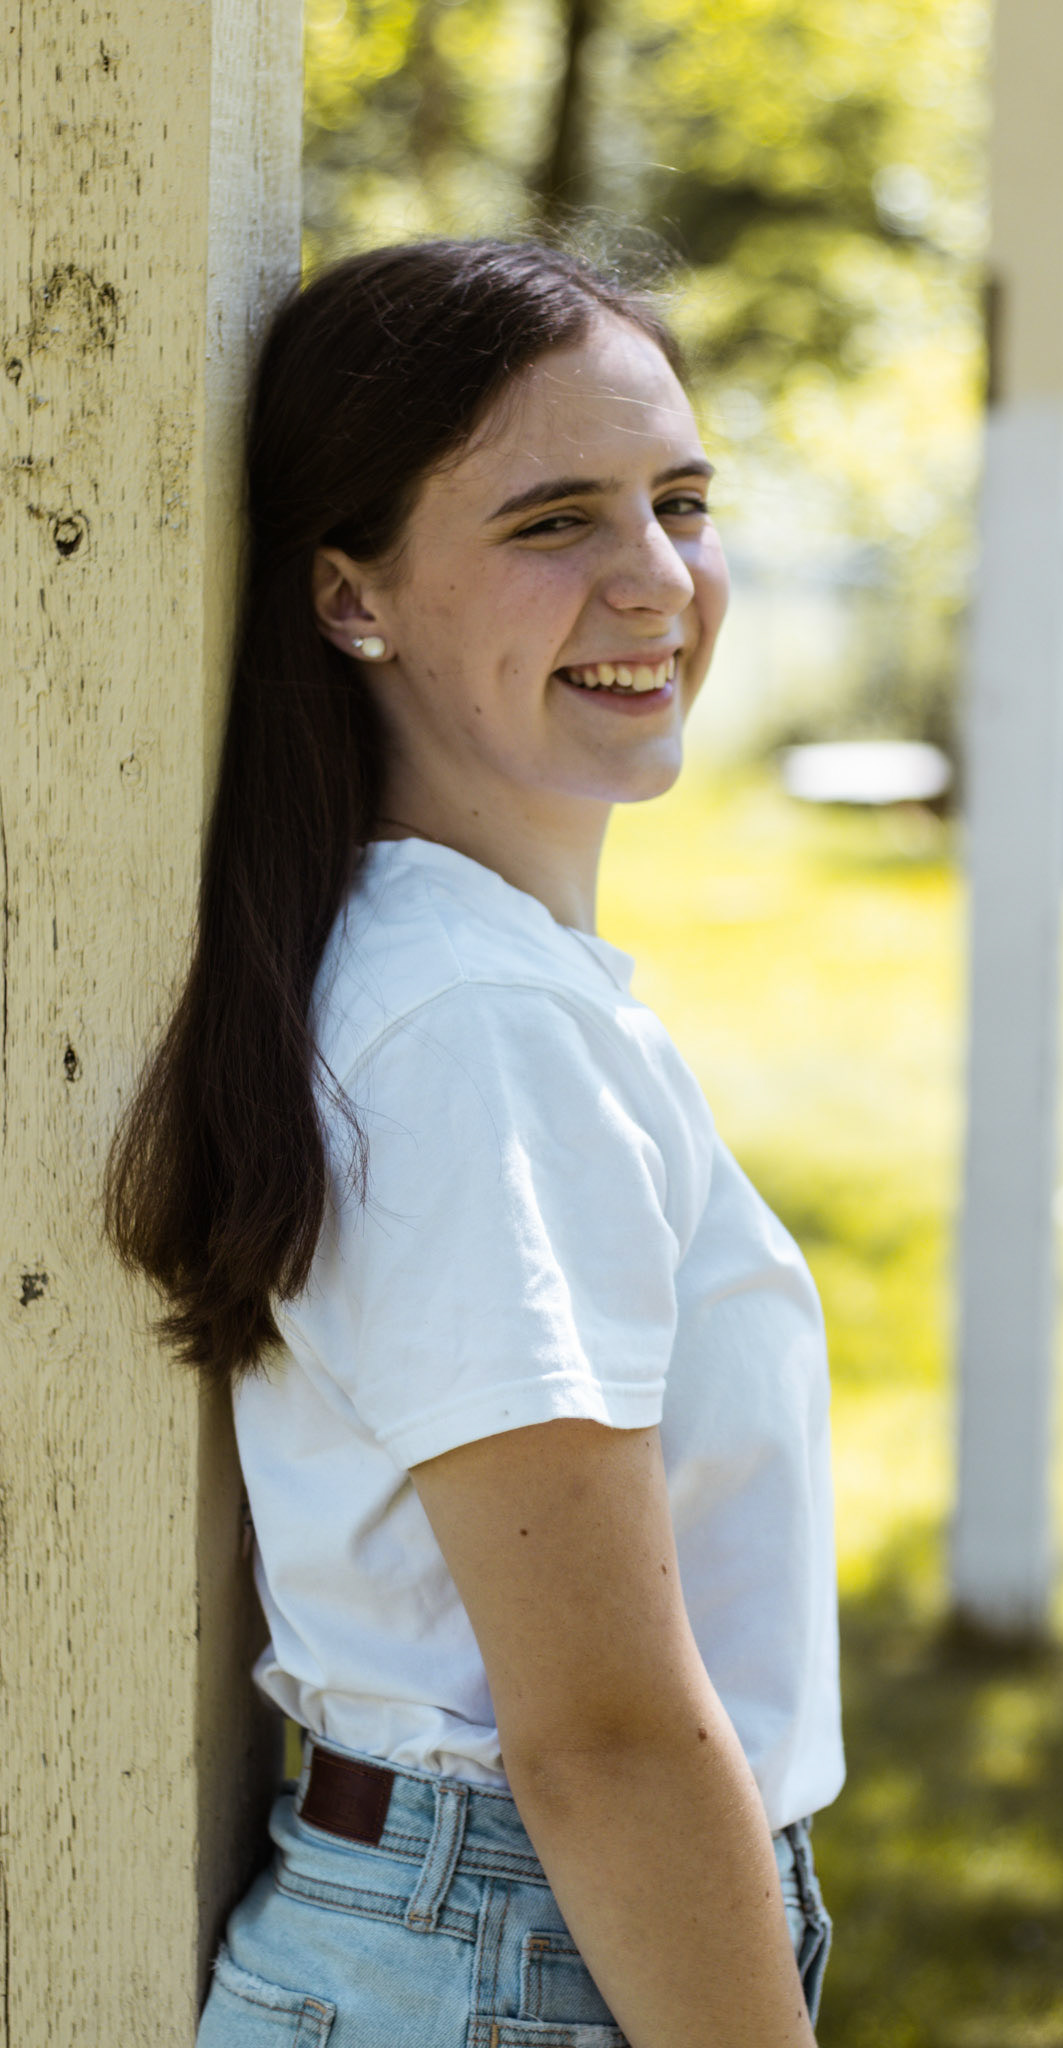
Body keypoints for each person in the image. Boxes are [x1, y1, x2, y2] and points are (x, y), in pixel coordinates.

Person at [105, 237, 844, 2048]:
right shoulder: (471, 1025)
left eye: (679, 502)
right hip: (507, 1952)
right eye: (553, 522)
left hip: (477, 1942)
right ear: (350, 597)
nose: (654, 576)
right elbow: (599, 1736)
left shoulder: (449, 973)